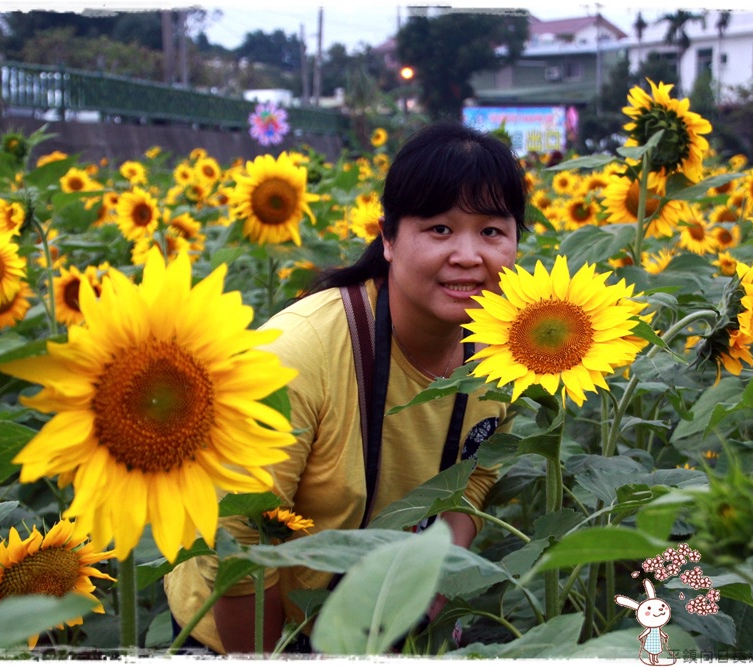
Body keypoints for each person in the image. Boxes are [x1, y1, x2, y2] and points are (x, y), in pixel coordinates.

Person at [164, 120, 529, 654]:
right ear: (387, 237)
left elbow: (471, 483)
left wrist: (427, 603)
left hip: (375, 624)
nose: (469, 256)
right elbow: (239, 545)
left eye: (492, 231)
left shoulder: (515, 356)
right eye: (440, 229)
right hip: (248, 627)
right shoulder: (296, 354)